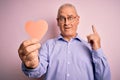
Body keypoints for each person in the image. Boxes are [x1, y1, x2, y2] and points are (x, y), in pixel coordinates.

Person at [18, 3, 111, 80]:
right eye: (62, 18)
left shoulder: (91, 47)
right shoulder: (48, 46)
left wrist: (97, 49)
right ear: (58, 22)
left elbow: (104, 78)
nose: (66, 23)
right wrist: (32, 65)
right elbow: (36, 72)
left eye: (70, 17)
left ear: (77, 19)